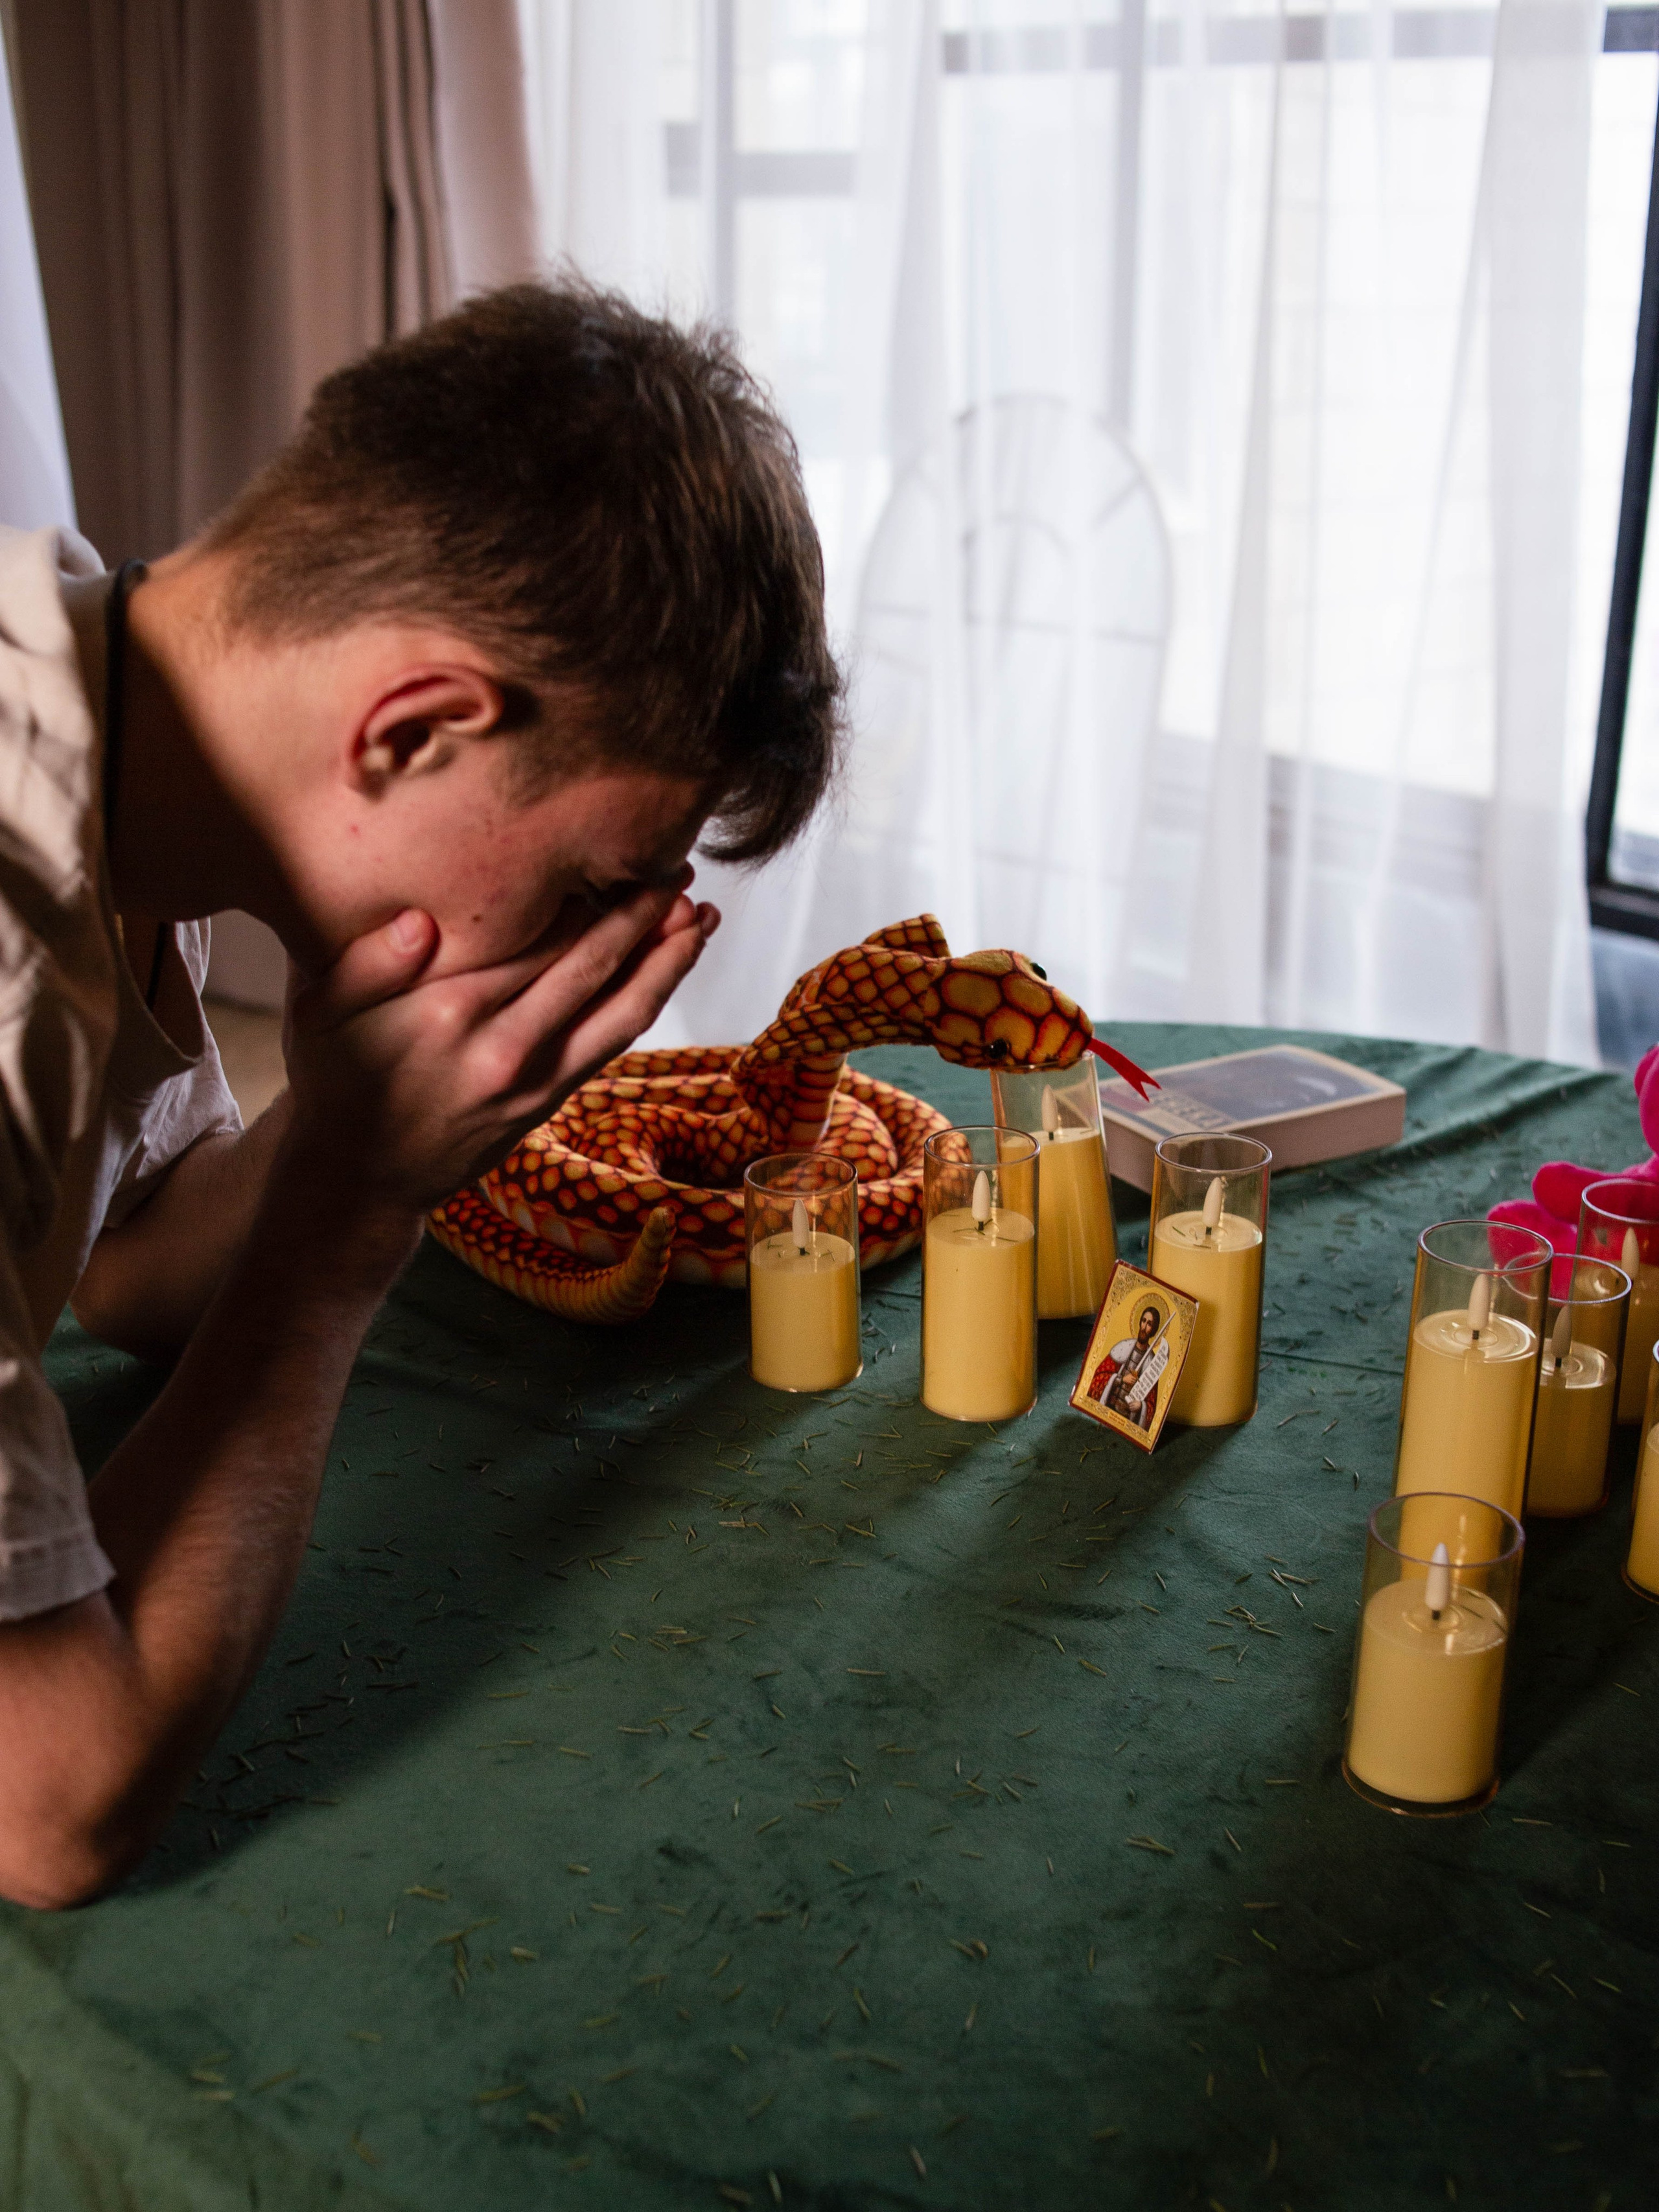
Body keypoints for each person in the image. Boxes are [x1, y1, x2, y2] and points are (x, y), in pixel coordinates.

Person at [0, 279, 841, 1910]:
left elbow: (131, 1254)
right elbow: (50, 1807)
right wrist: (346, 1224)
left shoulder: (96, 683)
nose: (610, 939)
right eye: (603, 877)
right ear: (414, 727)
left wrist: (360, 1121)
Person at [1089, 1303, 1167, 1430]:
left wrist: (1141, 1406)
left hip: (1126, 1420)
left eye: (1149, 1324)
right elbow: (1098, 1377)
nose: (1144, 1327)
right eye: (1143, 1321)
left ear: (1153, 1330)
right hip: (1108, 1409)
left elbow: (1152, 1404)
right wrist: (1120, 1380)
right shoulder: (1123, 1348)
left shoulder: (1152, 1364)